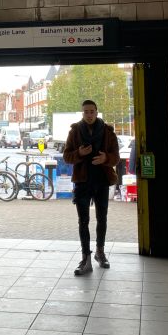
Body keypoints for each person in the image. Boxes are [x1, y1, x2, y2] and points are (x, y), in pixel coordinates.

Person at [63, 100, 120, 276]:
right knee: (83, 221)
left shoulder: (108, 131)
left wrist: (106, 159)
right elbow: (66, 156)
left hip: (102, 180)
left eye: (92, 111)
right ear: (82, 113)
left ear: (97, 112)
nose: (89, 114)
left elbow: (116, 157)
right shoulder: (74, 131)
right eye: (86, 112)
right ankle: (85, 258)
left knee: (102, 218)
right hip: (82, 181)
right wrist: (79, 153)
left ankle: (100, 253)